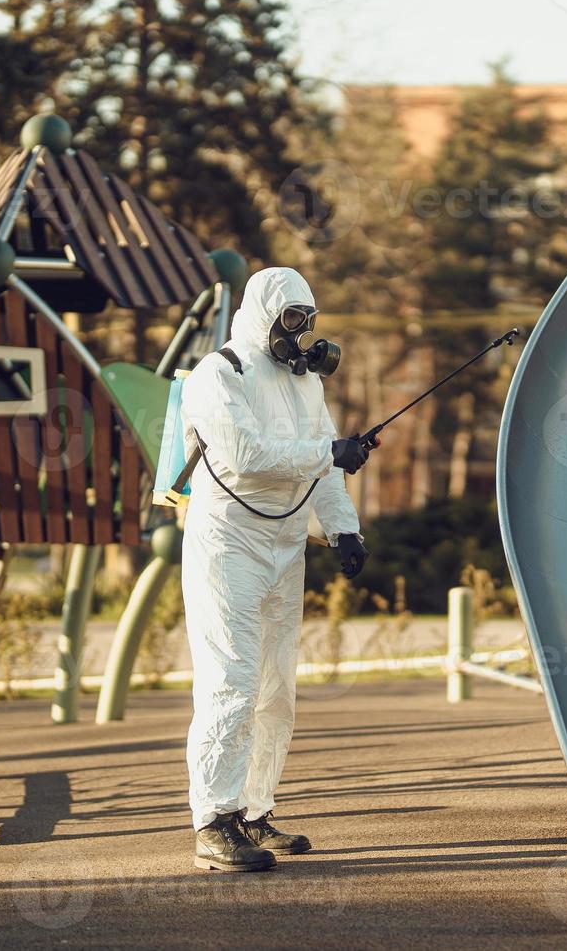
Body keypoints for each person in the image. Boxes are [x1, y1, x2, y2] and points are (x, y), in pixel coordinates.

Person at [179, 266, 374, 872]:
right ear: (264, 315)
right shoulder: (219, 374)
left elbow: (326, 467)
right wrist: (325, 452)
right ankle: (213, 821)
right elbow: (243, 454)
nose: (301, 333)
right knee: (230, 680)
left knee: (275, 691)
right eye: (291, 319)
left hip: (286, 545)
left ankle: (254, 812)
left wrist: (343, 527)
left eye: (308, 321)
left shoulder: (304, 383)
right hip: (228, 542)